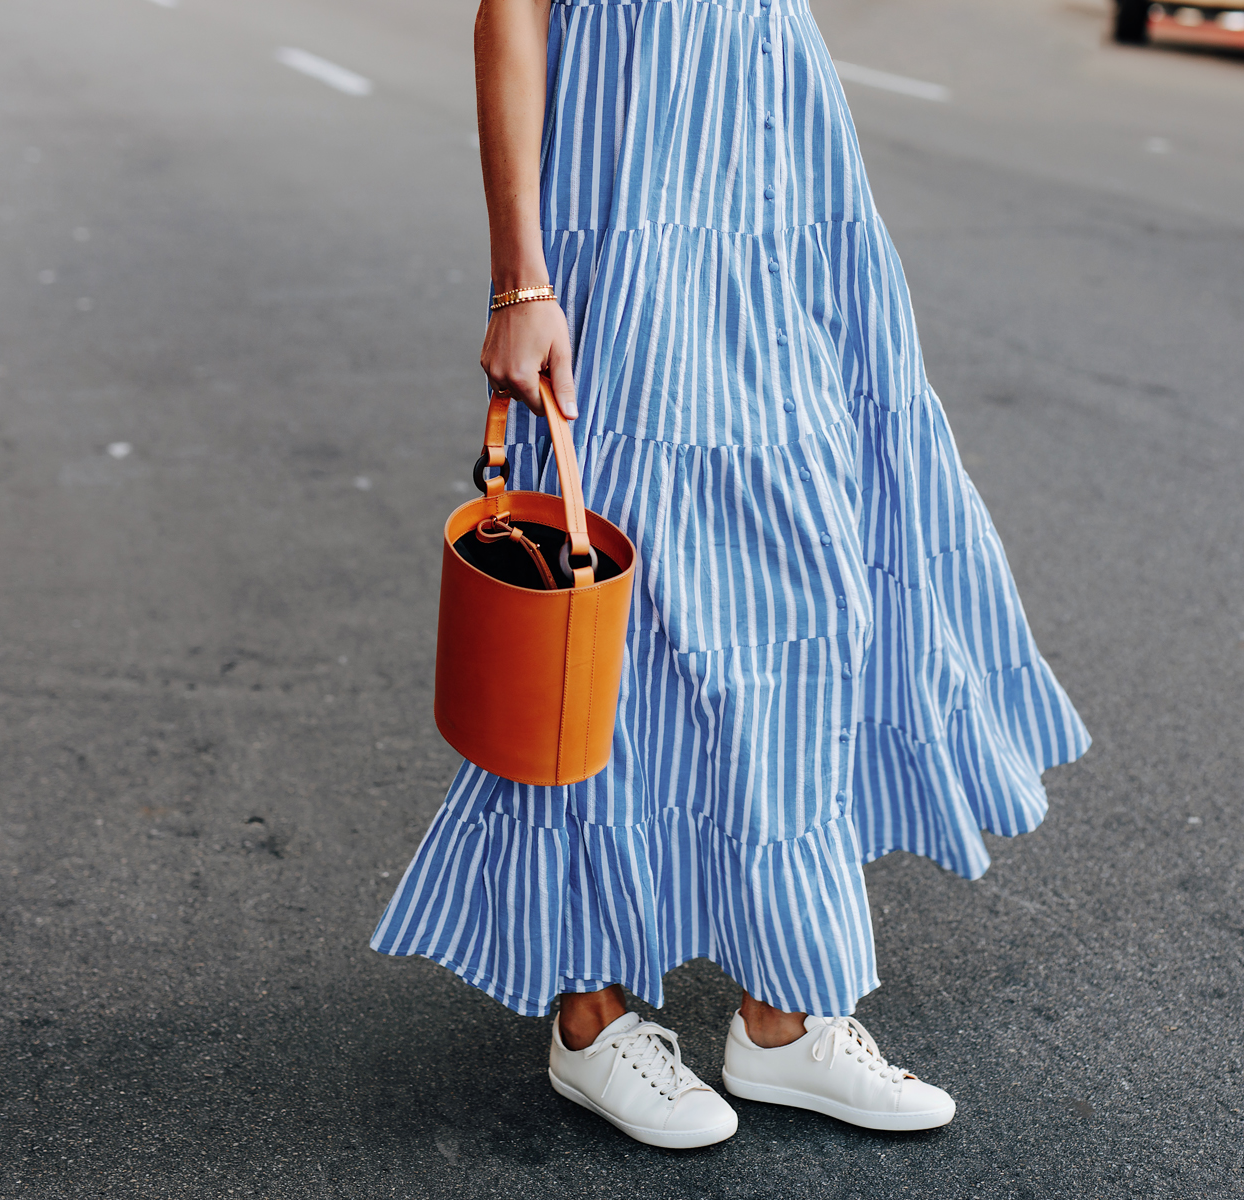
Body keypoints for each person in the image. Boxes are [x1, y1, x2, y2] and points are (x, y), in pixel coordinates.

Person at [372, 0, 1090, 1150]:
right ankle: (589, 1013)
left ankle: (784, 1015)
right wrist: (523, 280)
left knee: (813, 590)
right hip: (638, 194)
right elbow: (512, 12)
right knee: (619, 603)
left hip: (784, 183)